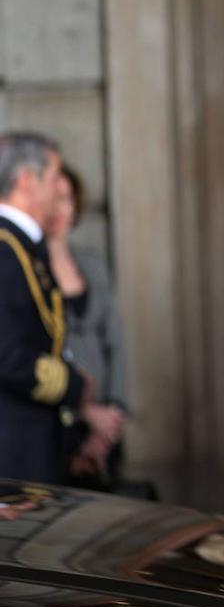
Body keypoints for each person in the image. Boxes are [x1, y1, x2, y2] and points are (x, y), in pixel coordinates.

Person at [0, 132, 125, 486]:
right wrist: (74, 385)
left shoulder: (21, 245)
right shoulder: (6, 250)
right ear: (27, 180)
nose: (59, 189)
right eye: (54, 177)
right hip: (17, 453)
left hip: (39, 442)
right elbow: (9, 356)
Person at [45, 165, 131, 488]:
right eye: (53, 199)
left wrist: (113, 413)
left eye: (66, 199)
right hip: (58, 419)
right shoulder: (27, 268)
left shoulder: (91, 262)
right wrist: (85, 411)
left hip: (105, 423)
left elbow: (115, 341)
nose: (59, 209)